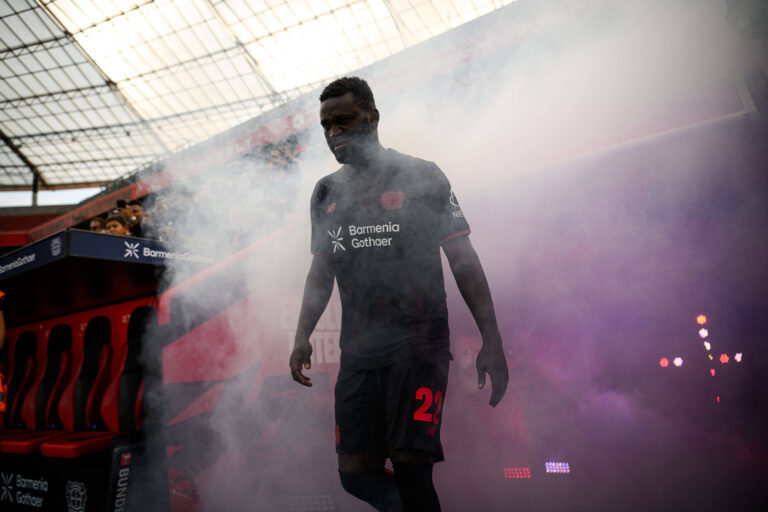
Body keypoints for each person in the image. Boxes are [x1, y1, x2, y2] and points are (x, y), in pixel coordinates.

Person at [289, 77, 509, 511]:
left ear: (371, 117)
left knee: (411, 469)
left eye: (343, 121)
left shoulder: (422, 175)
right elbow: (321, 271)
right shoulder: (325, 192)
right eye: (326, 126)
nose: (334, 134)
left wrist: (493, 339)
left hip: (417, 346)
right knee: (355, 475)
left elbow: (462, 259)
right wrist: (302, 334)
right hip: (359, 353)